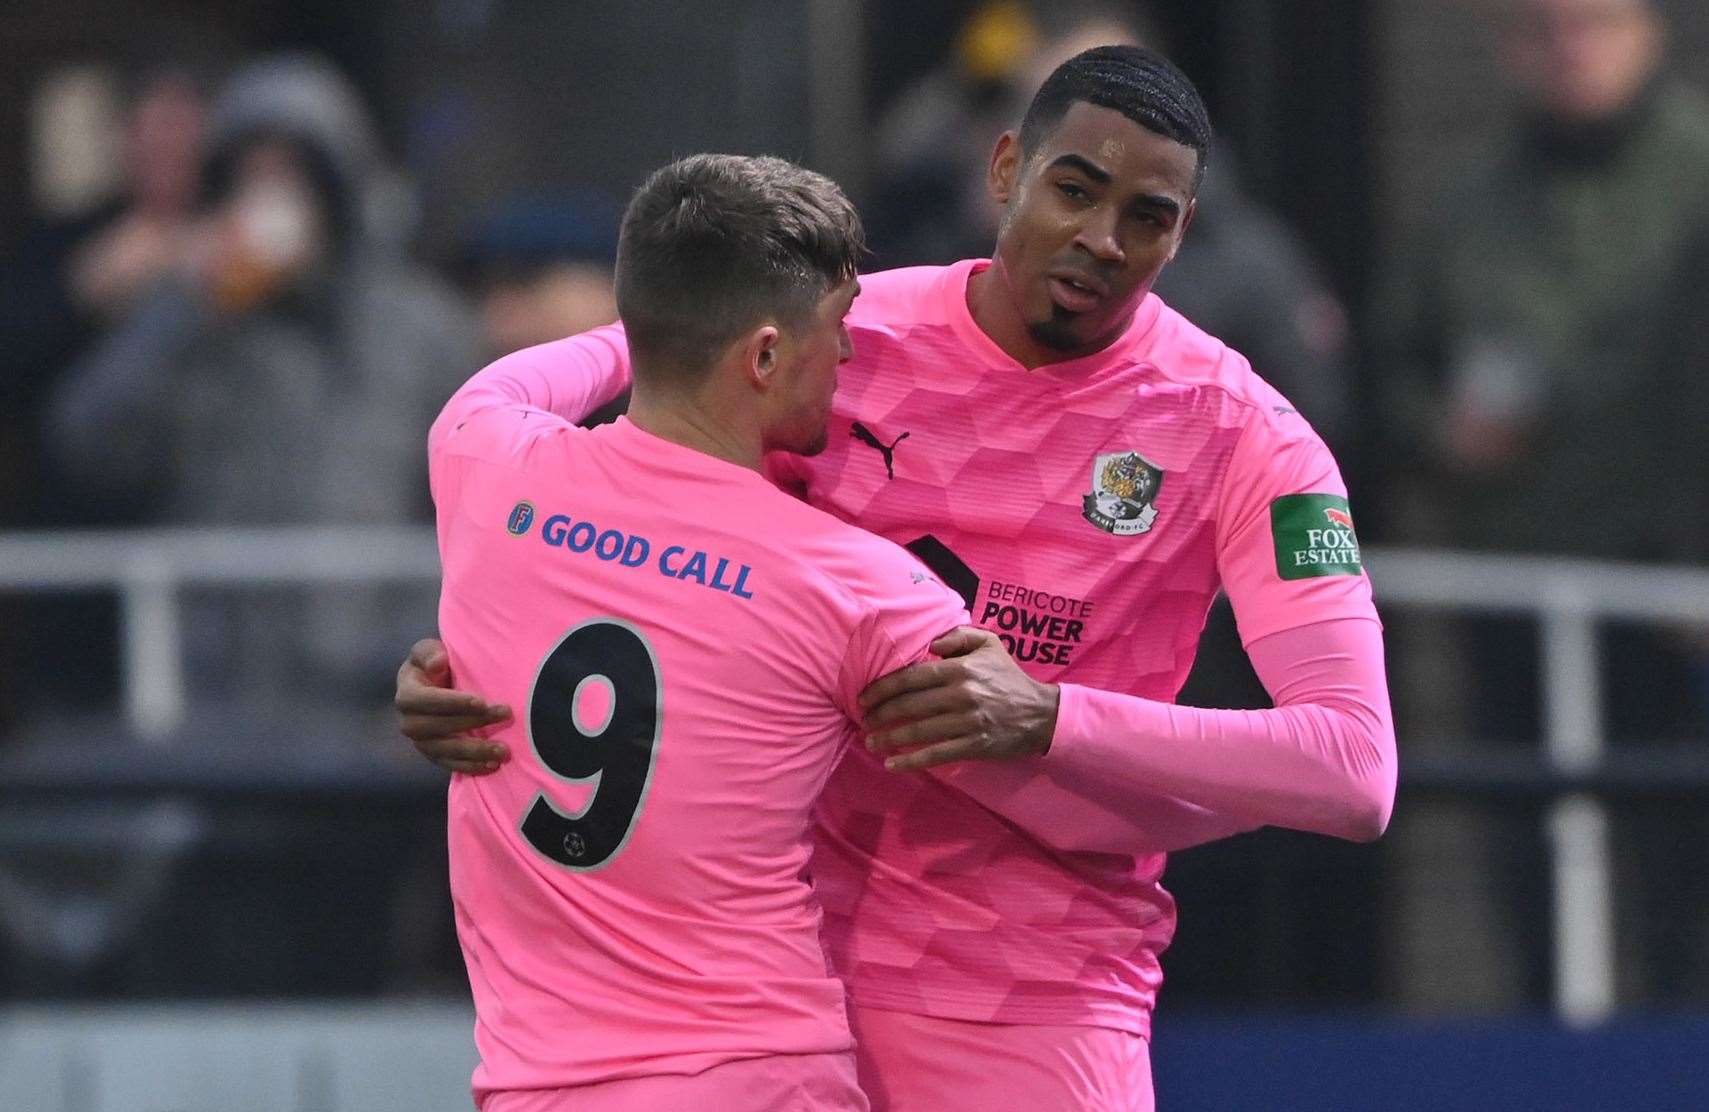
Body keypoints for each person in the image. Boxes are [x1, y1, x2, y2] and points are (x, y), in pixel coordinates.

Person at [403, 47, 1397, 1110]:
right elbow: (651, 456)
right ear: (1006, 168)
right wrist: (483, 649)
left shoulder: (1250, 439)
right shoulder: (838, 332)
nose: (1101, 240)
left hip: (1032, 997)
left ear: (1182, 232)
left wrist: (1054, 717)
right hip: (783, 985)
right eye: (1073, 189)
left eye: (1146, 217)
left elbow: (1349, 765)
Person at [44, 55, 478, 723]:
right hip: (210, 691)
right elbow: (88, 451)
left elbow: (476, 505)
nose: (270, 196)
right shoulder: (185, 319)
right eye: (248, 174)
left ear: (338, 183)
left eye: (292, 171)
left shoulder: (420, 330)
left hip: (376, 695)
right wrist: (182, 310)